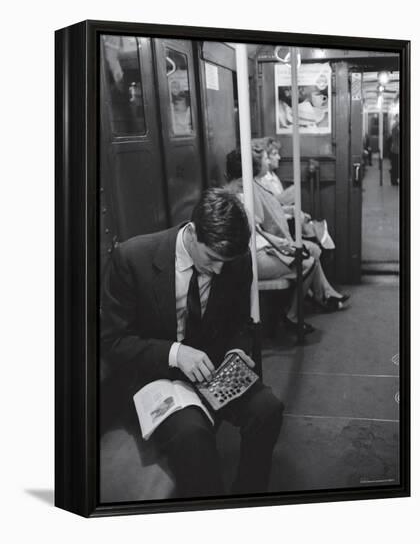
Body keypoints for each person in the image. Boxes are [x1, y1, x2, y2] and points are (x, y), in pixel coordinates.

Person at [101, 188, 284, 498]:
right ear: (193, 232)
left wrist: (237, 349)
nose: (218, 270)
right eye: (212, 258)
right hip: (156, 372)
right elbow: (113, 341)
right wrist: (175, 353)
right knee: (192, 434)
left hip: (213, 366)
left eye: (226, 262)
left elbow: (240, 321)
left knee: (268, 409)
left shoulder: (234, 261)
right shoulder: (132, 258)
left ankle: (250, 496)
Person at [225, 146, 349, 332]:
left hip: (258, 248)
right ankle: (292, 315)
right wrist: (281, 244)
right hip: (249, 257)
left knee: (308, 253)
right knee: (306, 263)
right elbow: (257, 221)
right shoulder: (242, 192)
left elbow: (257, 227)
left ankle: (320, 297)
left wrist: (280, 244)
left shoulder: (240, 188)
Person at [390, 115, 400, 186]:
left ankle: (394, 180)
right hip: (396, 150)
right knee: (395, 166)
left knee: (395, 166)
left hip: (395, 149)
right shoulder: (395, 127)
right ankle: (394, 181)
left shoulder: (394, 126)